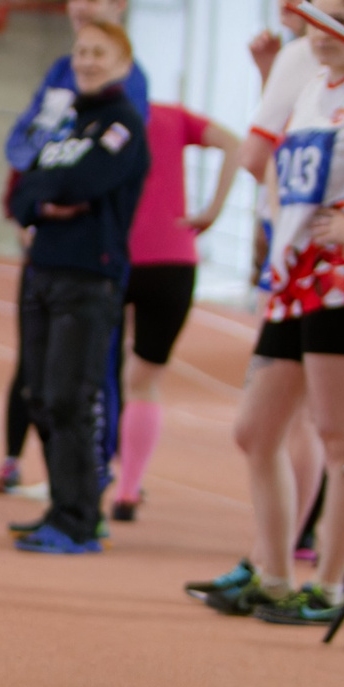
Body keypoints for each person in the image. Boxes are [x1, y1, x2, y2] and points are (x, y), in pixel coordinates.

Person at [198, 0, 344, 623]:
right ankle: (272, 572)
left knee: (341, 438)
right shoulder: (313, 91)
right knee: (256, 429)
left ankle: (329, 585)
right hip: (296, 278)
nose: (322, 33)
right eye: (314, 19)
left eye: (340, 21)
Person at [0, 0, 151, 496]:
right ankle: (62, 491)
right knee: (42, 383)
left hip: (92, 260)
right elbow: (21, 153)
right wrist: (41, 196)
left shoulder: (129, 93)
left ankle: (90, 487)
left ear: (117, 6)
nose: (79, 7)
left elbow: (97, 174)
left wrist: (51, 186)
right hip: (46, 257)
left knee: (82, 383)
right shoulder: (60, 71)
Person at [112, 99, 239, 521]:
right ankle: (128, 488)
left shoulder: (106, 116)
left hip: (114, 260)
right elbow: (234, 143)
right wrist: (211, 212)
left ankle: (97, 476)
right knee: (144, 382)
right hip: (173, 260)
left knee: (100, 375)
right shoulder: (169, 114)